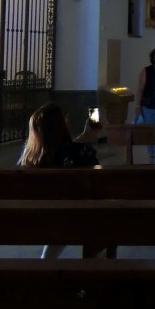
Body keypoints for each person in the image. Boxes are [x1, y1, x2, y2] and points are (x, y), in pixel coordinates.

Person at [18, 101, 100, 259]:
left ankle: (47, 260)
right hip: (74, 219)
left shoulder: (31, 159)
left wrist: (84, 137)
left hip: (35, 220)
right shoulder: (79, 153)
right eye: (65, 117)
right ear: (61, 125)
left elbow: (59, 152)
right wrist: (85, 142)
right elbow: (98, 183)